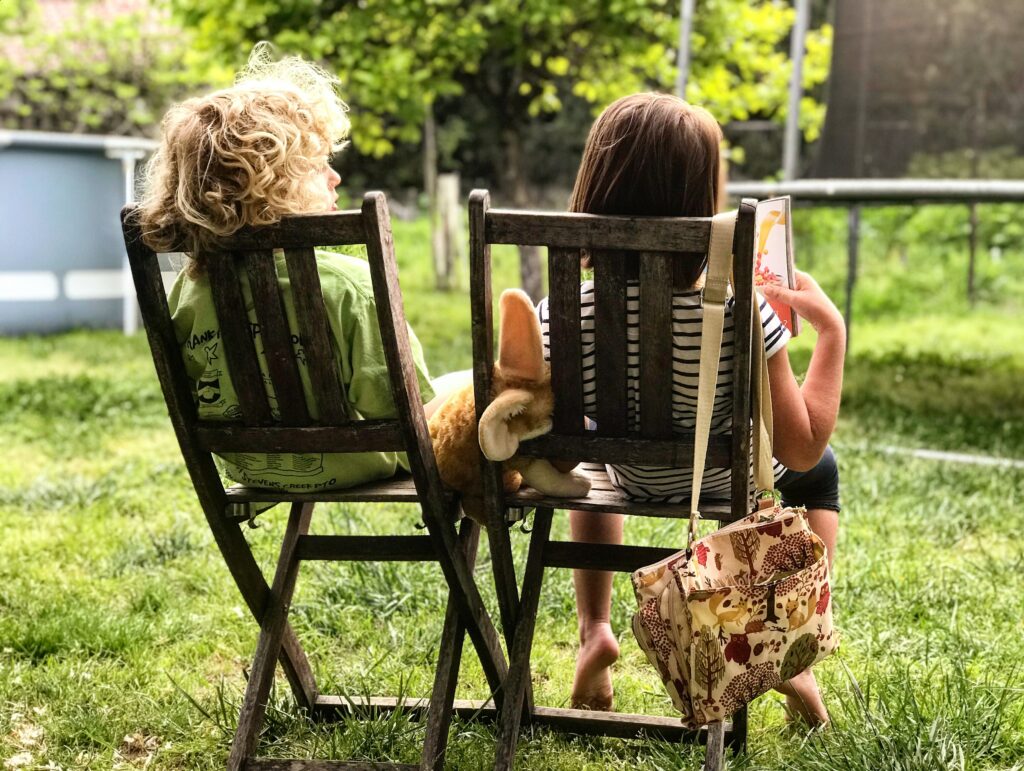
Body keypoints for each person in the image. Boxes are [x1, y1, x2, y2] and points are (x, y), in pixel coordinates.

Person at [536, 93, 845, 725]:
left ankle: (596, 628)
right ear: (704, 200)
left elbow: (562, 443)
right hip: (722, 481)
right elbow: (801, 447)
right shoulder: (744, 315)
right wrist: (832, 334)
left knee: (592, 466)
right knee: (824, 471)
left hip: (626, 477)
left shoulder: (561, 313)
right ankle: (794, 652)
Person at [137, 46, 446, 492]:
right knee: (465, 391)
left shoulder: (190, 290)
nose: (334, 178)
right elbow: (406, 412)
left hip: (252, 467)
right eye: (319, 165)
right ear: (273, 187)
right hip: (355, 462)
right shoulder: (349, 286)